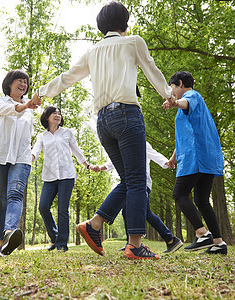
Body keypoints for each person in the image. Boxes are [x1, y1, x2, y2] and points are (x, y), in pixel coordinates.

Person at [31, 1, 173, 260]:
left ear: (101, 27)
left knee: (128, 181)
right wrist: (168, 95)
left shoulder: (93, 51)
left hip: (103, 122)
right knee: (138, 181)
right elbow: (152, 69)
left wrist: (41, 93)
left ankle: (94, 225)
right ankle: (135, 245)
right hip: (128, 115)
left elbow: (67, 77)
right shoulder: (132, 42)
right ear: (125, 23)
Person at [162, 71, 228, 255]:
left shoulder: (191, 95)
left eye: (172, 87)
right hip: (205, 157)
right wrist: (173, 158)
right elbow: (184, 136)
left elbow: (185, 101)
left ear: (180, 83)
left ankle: (201, 233)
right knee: (201, 200)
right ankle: (218, 242)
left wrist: (175, 102)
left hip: (196, 157)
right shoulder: (191, 106)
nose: (172, 91)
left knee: (179, 194)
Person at [0, 70, 40, 257]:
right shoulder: (0, 101)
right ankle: (2, 245)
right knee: (0, 202)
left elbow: (26, 133)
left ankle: (9, 232)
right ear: (9, 84)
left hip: (21, 157)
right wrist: (27, 106)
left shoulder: (30, 108)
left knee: (15, 194)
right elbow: (9, 111)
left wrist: (32, 153)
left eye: (26, 82)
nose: (23, 84)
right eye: (19, 81)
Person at [96, 141, 183, 253]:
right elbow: (113, 162)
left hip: (142, 183)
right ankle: (130, 243)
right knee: (126, 211)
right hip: (132, 184)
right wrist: (100, 168)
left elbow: (153, 154)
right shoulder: (124, 144)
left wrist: (166, 162)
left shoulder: (141, 142)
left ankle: (171, 239)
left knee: (146, 213)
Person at [32, 106, 97, 252]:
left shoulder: (67, 133)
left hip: (67, 175)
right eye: (54, 113)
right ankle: (55, 238)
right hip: (49, 176)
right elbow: (36, 149)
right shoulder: (42, 136)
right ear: (47, 117)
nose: (57, 115)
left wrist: (87, 165)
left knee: (62, 209)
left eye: (59, 113)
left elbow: (76, 150)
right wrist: (31, 157)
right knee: (43, 207)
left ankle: (62, 244)